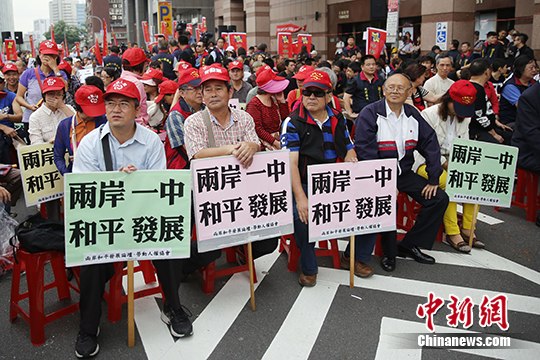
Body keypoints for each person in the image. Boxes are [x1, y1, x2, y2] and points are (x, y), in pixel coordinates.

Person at [72, 79, 193, 358]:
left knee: (170, 244)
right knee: (89, 259)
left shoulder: (151, 140)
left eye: (124, 103)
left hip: (144, 214)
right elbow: (85, 192)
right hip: (105, 220)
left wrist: (137, 182)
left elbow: (159, 187)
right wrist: (116, 181)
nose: (116, 109)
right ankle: (89, 326)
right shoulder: (90, 143)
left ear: (137, 108)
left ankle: (173, 307)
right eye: (111, 103)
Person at [354, 74, 449, 272]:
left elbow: (430, 143)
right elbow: (365, 152)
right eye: (391, 87)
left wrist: (433, 177)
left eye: (400, 87)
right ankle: (389, 253)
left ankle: (408, 244)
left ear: (410, 91)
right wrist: (386, 183)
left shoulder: (413, 114)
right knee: (387, 202)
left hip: (403, 173)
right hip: (376, 175)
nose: (395, 91)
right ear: (383, 90)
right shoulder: (370, 113)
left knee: (439, 198)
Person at [184, 64, 278, 261]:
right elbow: (197, 154)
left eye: (218, 88)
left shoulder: (244, 118)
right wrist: (230, 150)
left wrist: (253, 146)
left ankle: (244, 251)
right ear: (201, 94)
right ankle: (187, 269)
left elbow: (254, 142)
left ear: (229, 91)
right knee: (208, 248)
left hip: (243, 190)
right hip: (208, 194)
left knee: (270, 240)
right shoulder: (193, 122)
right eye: (207, 90)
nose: (213, 94)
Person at [281, 70, 357, 286]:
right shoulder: (293, 122)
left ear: (328, 96)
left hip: (333, 182)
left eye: (317, 93)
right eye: (307, 93)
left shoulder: (337, 118)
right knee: (302, 218)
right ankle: (309, 266)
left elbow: (348, 146)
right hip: (303, 182)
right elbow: (291, 164)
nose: (311, 97)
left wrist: (351, 155)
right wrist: (300, 198)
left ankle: (354, 258)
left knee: (365, 206)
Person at [416, 80, 483, 252]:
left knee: (473, 180)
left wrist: (462, 165)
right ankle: (452, 232)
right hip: (426, 161)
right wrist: (444, 164)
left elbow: (465, 145)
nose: (461, 113)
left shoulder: (465, 118)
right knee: (449, 181)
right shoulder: (429, 115)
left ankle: (469, 228)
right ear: (448, 100)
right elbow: (423, 148)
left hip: (452, 160)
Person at [53, 85, 107, 175]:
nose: (94, 114)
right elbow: (58, 156)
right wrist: (66, 174)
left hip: (102, 173)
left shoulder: (104, 122)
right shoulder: (65, 126)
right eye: (90, 111)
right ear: (79, 108)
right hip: (76, 174)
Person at [16, 40, 68, 125]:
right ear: (40, 55)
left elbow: (65, 89)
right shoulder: (28, 73)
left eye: (51, 55)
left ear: (56, 57)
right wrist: (29, 106)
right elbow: (18, 97)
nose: (48, 58)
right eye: (45, 55)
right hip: (32, 118)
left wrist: (55, 68)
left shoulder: (60, 74)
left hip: (54, 119)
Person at [468, 59, 511, 144]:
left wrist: (495, 121)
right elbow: (479, 116)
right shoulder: (478, 89)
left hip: (488, 124)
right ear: (487, 72)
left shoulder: (471, 85)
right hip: (477, 130)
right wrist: (494, 134)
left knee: (509, 134)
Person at [246, 66, 289, 150]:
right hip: (265, 147)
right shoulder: (254, 104)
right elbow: (257, 129)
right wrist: (274, 142)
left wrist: (282, 101)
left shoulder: (274, 100)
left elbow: (285, 119)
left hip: (279, 141)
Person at [499, 56, 537, 126]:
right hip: (513, 121)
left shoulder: (534, 83)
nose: (534, 70)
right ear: (521, 69)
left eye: (535, 67)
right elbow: (523, 107)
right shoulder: (510, 86)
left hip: (531, 119)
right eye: (531, 68)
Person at [343, 55, 384, 120]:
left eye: (373, 64)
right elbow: (346, 97)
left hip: (378, 114)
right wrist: (350, 113)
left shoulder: (380, 79)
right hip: (361, 115)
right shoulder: (355, 80)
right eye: (368, 65)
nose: (371, 67)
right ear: (362, 67)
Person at [121, 47, 149, 126]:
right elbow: (136, 113)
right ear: (140, 65)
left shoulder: (119, 81)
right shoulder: (136, 84)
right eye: (145, 64)